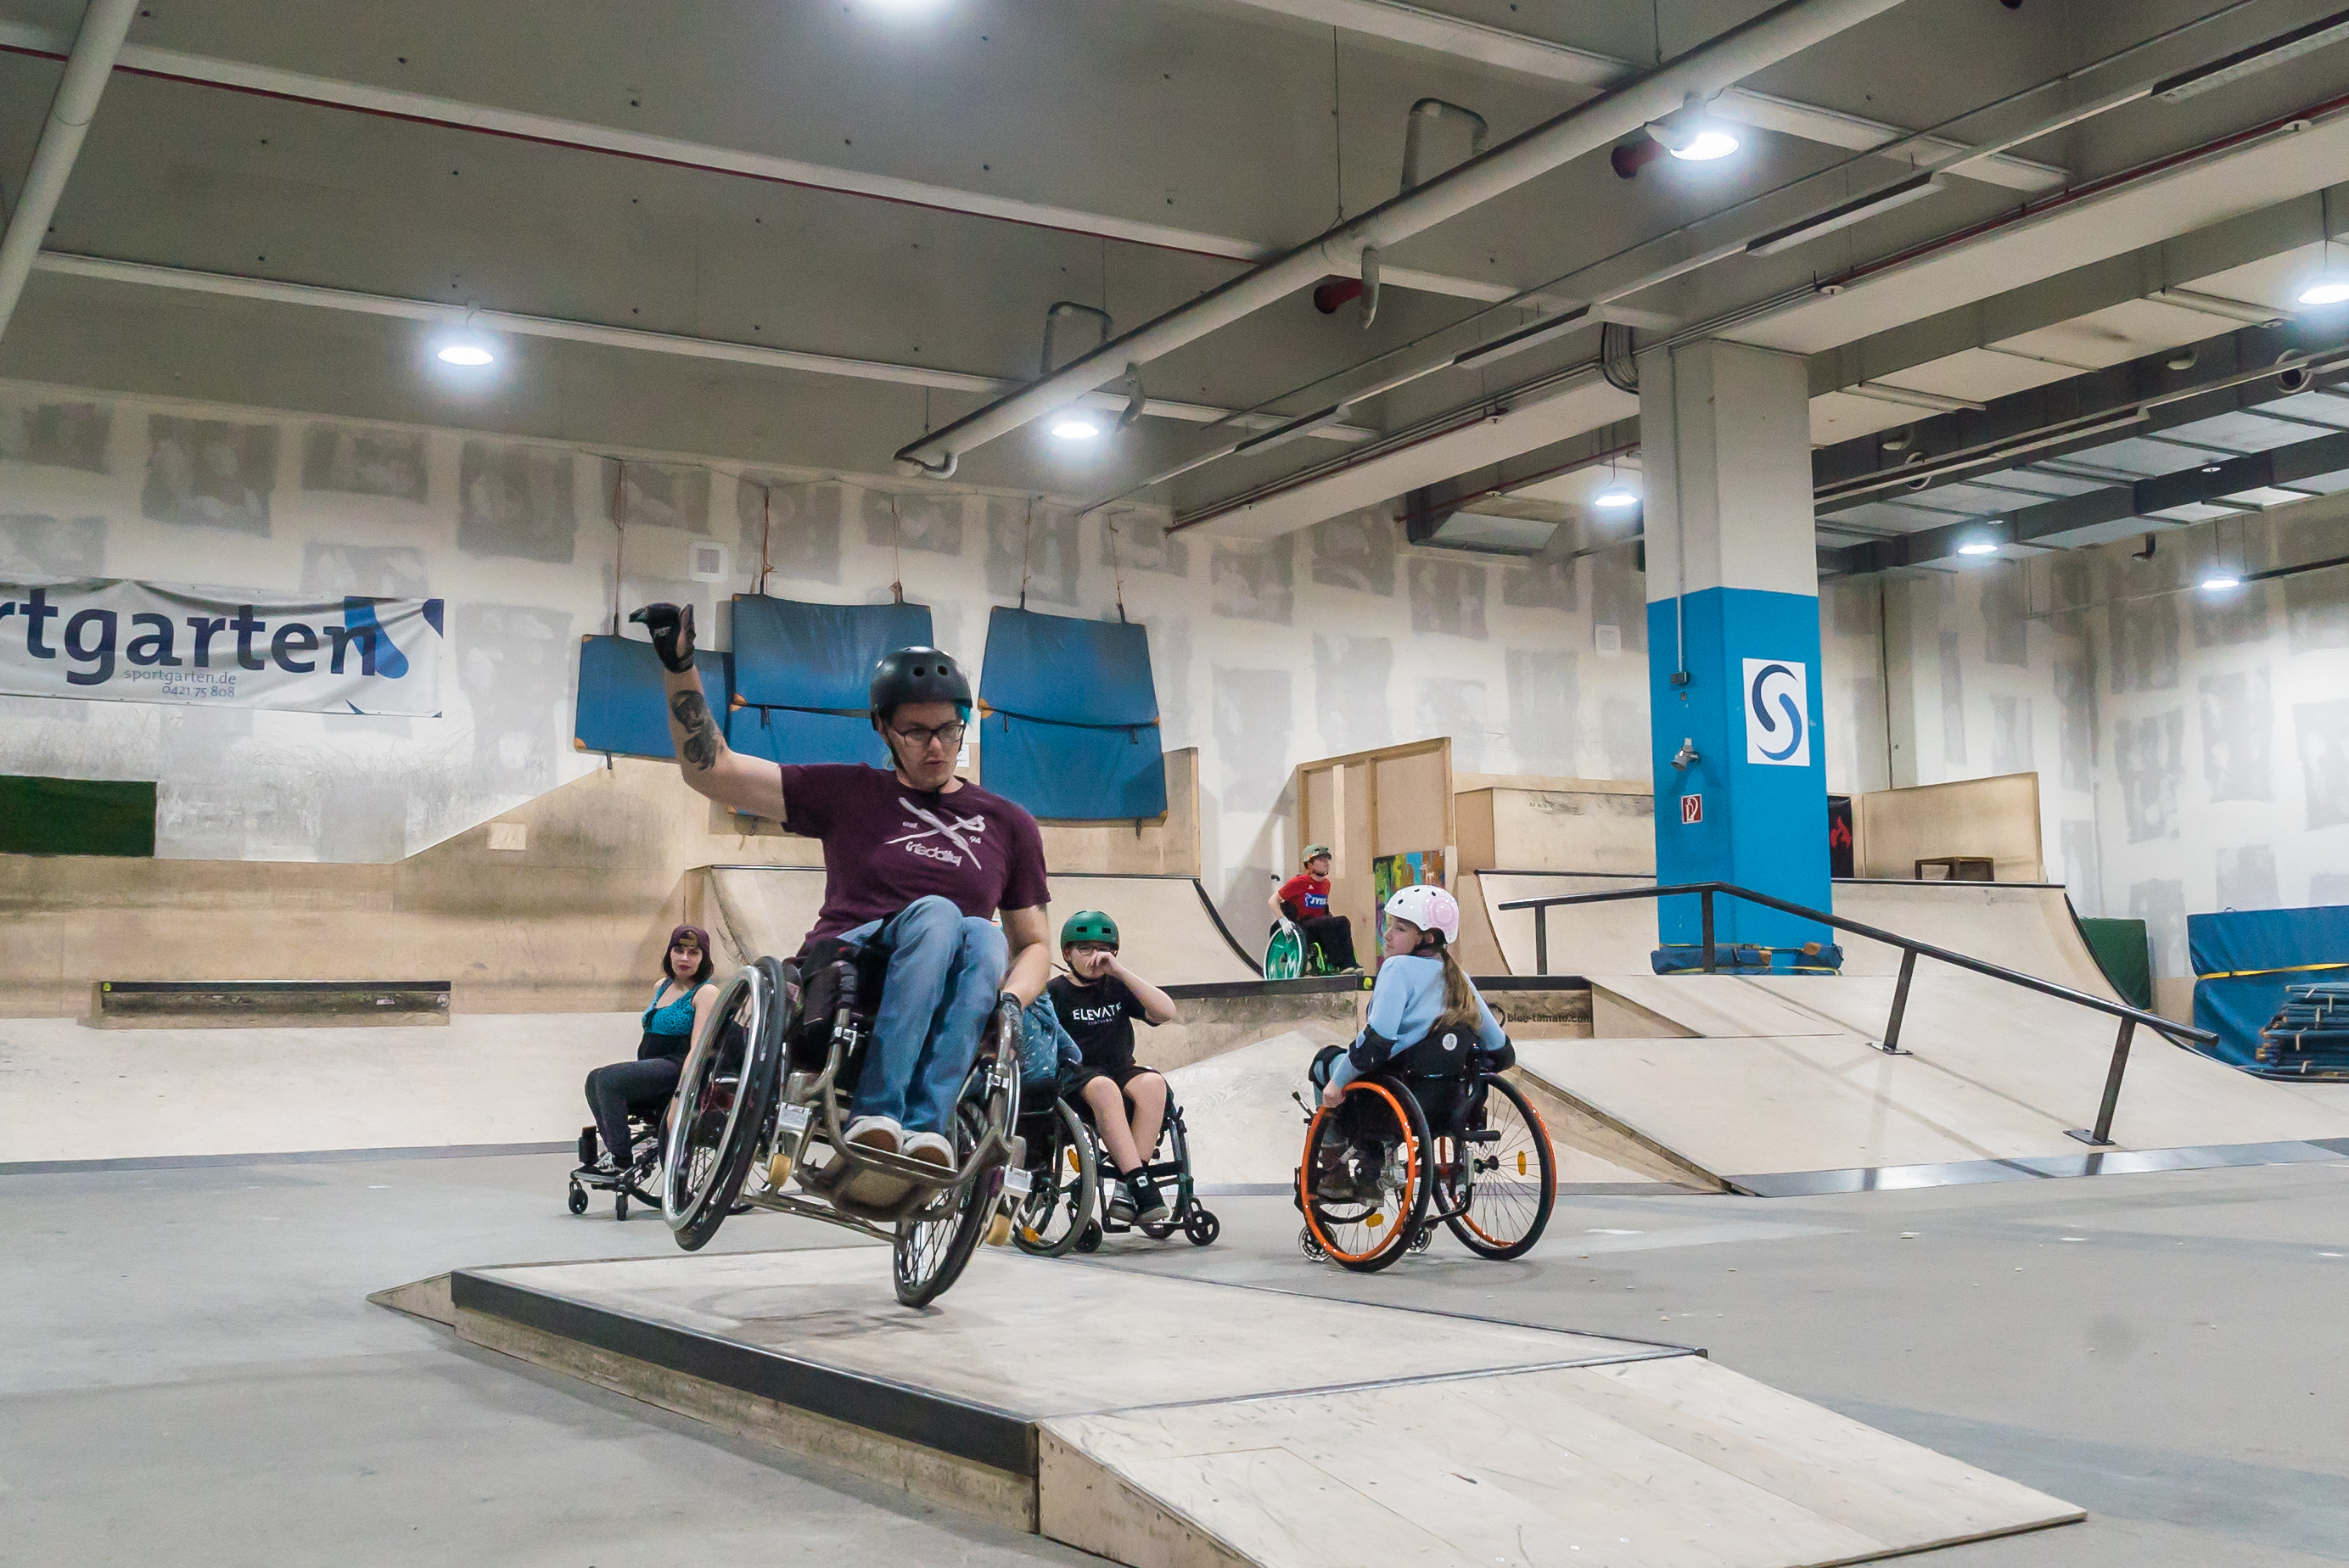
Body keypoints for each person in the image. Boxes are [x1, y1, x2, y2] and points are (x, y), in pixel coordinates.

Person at [631, 602, 1051, 1191]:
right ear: (884, 728)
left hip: (957, 980)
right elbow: (714, 772)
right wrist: (680, 666)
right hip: (853, 961)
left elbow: (1033, 944)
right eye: (916, 732)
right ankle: (876, 1113)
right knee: (939, 914)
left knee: (983, 933)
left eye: (949, 730)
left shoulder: (1009, 824)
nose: (936, 746)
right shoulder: (851, 791)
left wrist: (1011, 1001)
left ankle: (925, 1128)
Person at [1312, 882, 1505, 1107]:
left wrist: (1336, 1084)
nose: (1387, 935)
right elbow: (1501, 1050)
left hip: (1396, 1092)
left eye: (1400, 929)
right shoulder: (1460, 977)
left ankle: (1331, 1141)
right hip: (1450, 1102)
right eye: (1390, 926)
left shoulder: (1397, 968)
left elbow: (1376, 1042)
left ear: (1428, 938)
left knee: (1323, 1062)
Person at [1047, 910, 1181, 1224]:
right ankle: (1140, 1183)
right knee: (1105, 1089)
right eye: (1085, 949)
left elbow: (1166, 1011)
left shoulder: (1117, 985)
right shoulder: (1056, 991)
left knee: (1153, 1084)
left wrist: (1119, 971)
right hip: (1076, 1076)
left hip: (1119, 1068)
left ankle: (1127, 1185)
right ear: (1067, 953)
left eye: (1103, 949)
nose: (1095, 957)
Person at [582, 926, 719, 1177]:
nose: (685, 958)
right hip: (654, 1067)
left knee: (610, 1080)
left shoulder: (706, 993)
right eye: (679, 950)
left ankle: (621, 1160)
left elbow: (699, 1050)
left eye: (694, 952)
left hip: (677, 1069)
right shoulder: (662, 985)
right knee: (594, 1079)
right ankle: (615, 1150)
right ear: (669, 953)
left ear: (704, 958)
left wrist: (681, 1095)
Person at [1269, 843, 1358, 972]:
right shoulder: (1299, 882)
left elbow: (1321, 909)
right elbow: (1272, 900)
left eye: (1327, 860)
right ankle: (1334, 964)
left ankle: (1349, 964)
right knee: (1326, 923)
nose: (1326, 863)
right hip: (1301, 925)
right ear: (1309, 864)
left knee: (1343, 921)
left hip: (1319, 924)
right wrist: (1283, 921)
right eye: (1322, 860)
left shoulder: (1326, 884)